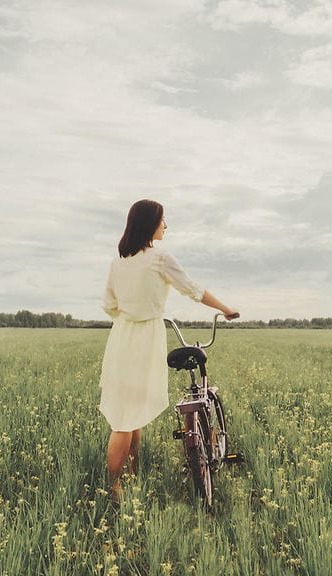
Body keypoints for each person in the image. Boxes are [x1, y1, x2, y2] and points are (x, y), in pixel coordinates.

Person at [98, 199, 238, 500]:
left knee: (130, 411)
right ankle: (114, 488)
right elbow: (193, 290)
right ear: (150, 224)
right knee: (124, 421)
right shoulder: (159, 258)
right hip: (145, 337)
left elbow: (109, 305)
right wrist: (226, 309)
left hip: (121, 337)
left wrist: (129, 319)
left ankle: (133, 474)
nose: (166, 226)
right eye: (163, 220)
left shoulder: (117, 262)